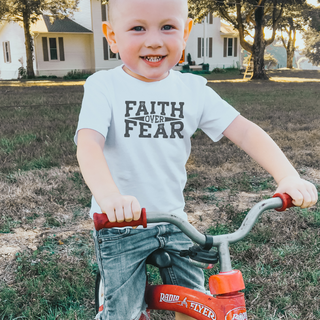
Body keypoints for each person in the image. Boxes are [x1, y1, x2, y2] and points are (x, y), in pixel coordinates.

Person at [74, 0, 318, 319]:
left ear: (186, 31)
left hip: (175, 223)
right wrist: (109, 197)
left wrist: (287, 176)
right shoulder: (104, 86)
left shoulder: (193, 89)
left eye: (168, 27)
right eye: (137, 28)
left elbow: (245, 132)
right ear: (112, 36)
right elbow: (89, 143)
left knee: (197, 305)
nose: (154, 40)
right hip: (121, 223)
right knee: (124, 313)